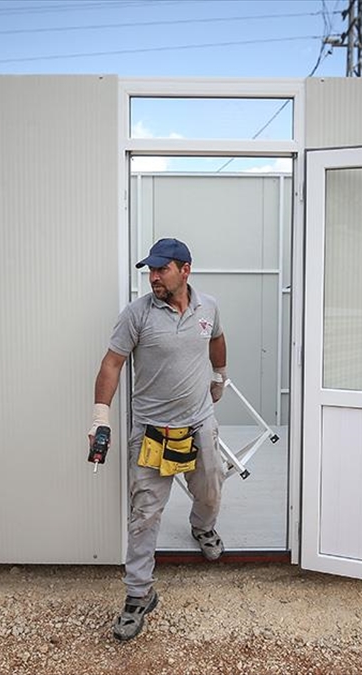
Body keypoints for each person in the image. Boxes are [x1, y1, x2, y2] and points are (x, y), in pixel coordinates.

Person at [90, 237, 228, 642]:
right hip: (152, 429)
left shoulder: (209, 308)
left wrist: (219, 375)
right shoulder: (136, 315)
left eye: (161, 270)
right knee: (145, 513)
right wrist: (101, 417)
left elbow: (217, 337)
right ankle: (138, 594)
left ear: (185, 270)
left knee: (210, 488)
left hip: (199, 421)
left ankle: (202, 527)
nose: (153, 278)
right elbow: (112, 363)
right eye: (149, 271)